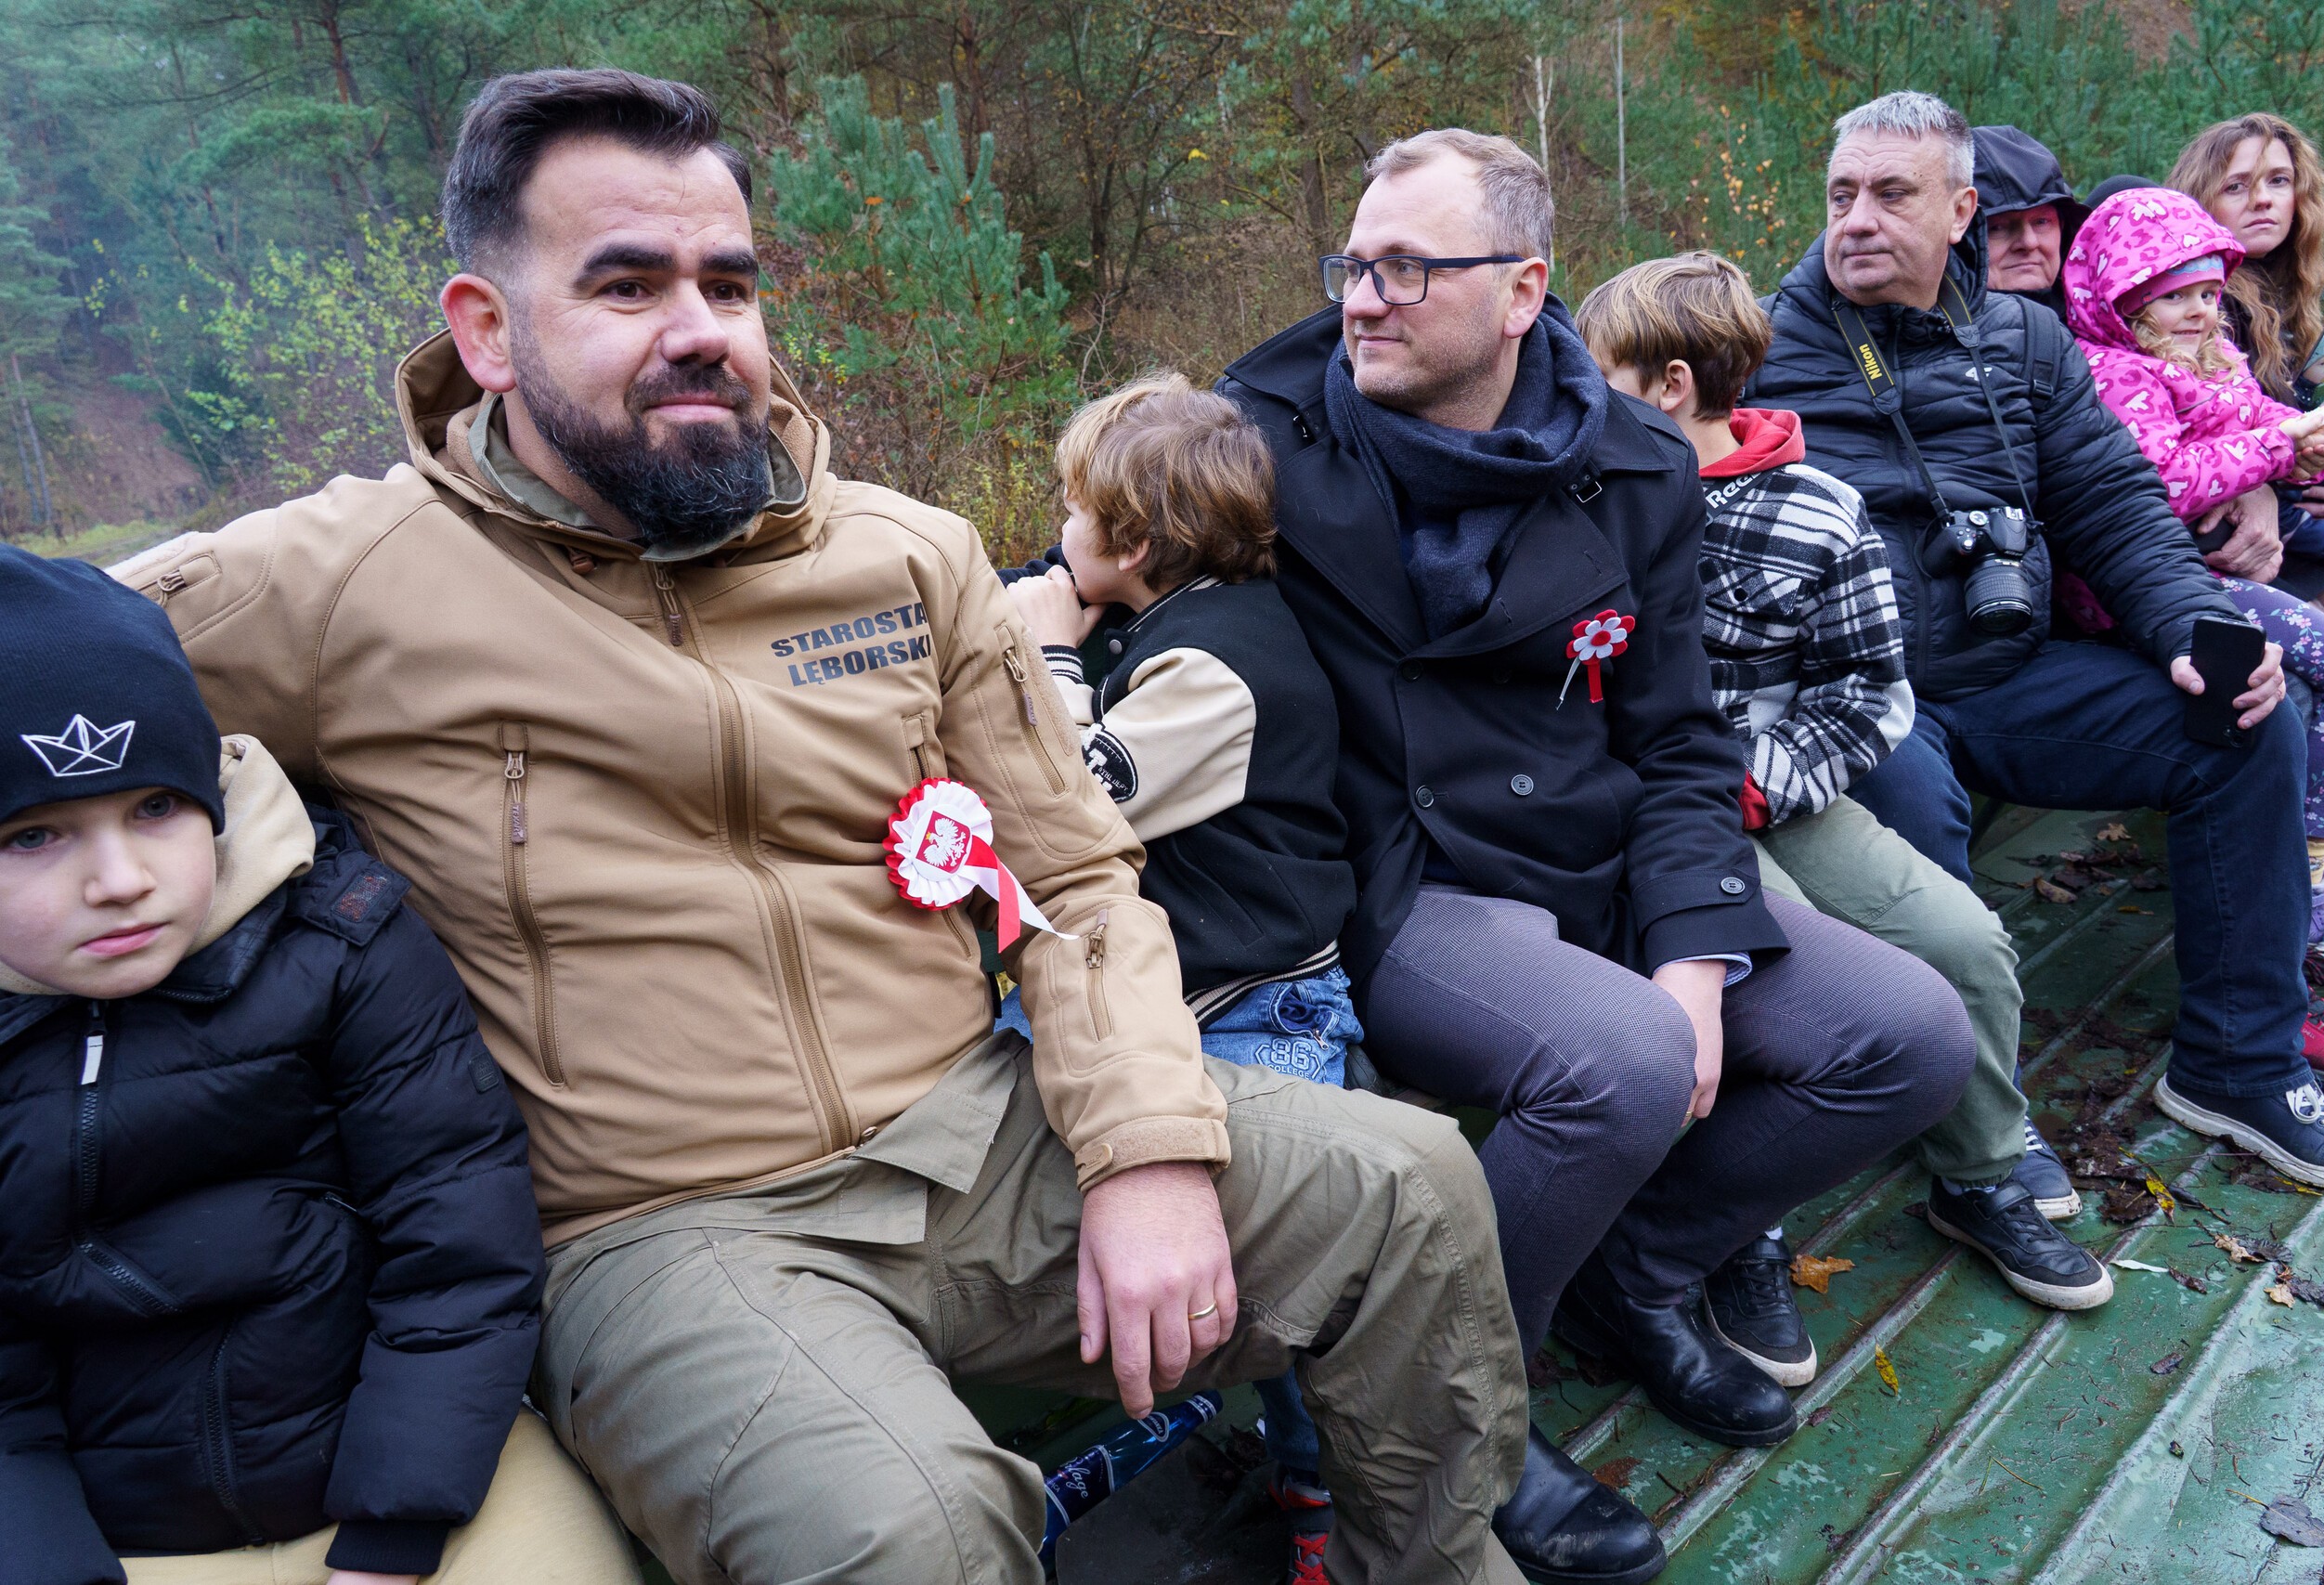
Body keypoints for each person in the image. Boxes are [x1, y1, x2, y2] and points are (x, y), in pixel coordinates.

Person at [117, 69, 1543, 1585]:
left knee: (1412, 1193)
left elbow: (1075, 872)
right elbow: (54, 680)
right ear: (486, 330)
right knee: (912, 1534)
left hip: (981, 1132)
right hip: (664, 1226)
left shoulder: (902, 555)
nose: (701, 329)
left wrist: (1143, 1149)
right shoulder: (336, 581)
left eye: (728, 283)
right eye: (626, 284)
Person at [1219, 127, 1973, 1579]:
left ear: (1522, 291)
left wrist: (1696, 949)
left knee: (1910, 1034)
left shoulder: (1631, 463)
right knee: (1623, 1059)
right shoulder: (1264, 434)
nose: (1362, 299)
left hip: (1597, 850)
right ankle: (1450, 1398)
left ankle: (1637, 1266)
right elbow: (1116, 555)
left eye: (1405, 269)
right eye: (1352, 265)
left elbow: (1680, 735)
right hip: (1405, 872)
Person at [1749, 90, 2324, 1193]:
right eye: (1841, 194)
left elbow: (2113, 506)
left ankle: (2241, 1067)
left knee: (2241, 720)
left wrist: (2194, 632)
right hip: (1855, 691)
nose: (1856, 218)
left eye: (1890, 194)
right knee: (1913, 810)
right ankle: (1975, 1123)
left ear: (1960, 212)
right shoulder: (1760, 346)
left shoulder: (2024, 339)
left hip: (2011, 665)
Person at [0, 549, 633, 1585]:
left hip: (416, 1476)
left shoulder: (343, 944)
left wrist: (392, 1534)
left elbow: (457, 1245)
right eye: (33, 836)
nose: (119, 880)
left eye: (154, 808)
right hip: (116, 1533)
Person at [1578, 251, 2113, 1329]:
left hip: (1777, 790)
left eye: (1600, 380)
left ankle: (1976, 1176)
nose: (1579, 406)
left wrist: (1762, 782)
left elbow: (1868, 693)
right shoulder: (1591, 507)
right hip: (1647, 806)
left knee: (1962, 940)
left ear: (1669, 386)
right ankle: (1742, 1220)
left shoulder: (1817, 512)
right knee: (1782, 958)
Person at [1001, 373, 1357, 1585]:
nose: (1059, 526)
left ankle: (1324, 1480)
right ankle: (1165, 1410)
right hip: (1174, 987)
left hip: (1262, 1000)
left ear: (1136, 545)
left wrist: (1050, 650)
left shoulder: (1221, 664)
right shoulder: (1165, 612)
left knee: (1290, 1267)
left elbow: (1076, 797)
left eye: (1075, 509)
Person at [2059, 188, 2324, 1070]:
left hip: (2217, 571)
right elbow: (2157, 481)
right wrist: (2277, 453)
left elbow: (2255, 424)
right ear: (2126, 301)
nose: (2203, 310)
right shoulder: (2116, 372)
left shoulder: (2207, 353)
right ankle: (2312, 872)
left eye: (2209, 291)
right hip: (2148, 591)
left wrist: (2306, 438)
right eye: (2178, 296)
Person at [2171, 112, 2324, 629]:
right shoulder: (2195, 311)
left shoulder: (2296, 304)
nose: (2262, 200)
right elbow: (2199, 459)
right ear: (2200, 200)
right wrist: (2314, 530)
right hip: (2269, 551)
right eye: (2236, 186)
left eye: (2279, 181)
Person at [1971, 125, 2086, 313]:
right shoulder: (1932, 328)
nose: (2029, 242)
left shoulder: (2102, 324)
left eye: (2041, 222)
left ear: (2063, 229)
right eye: (1998, 227)